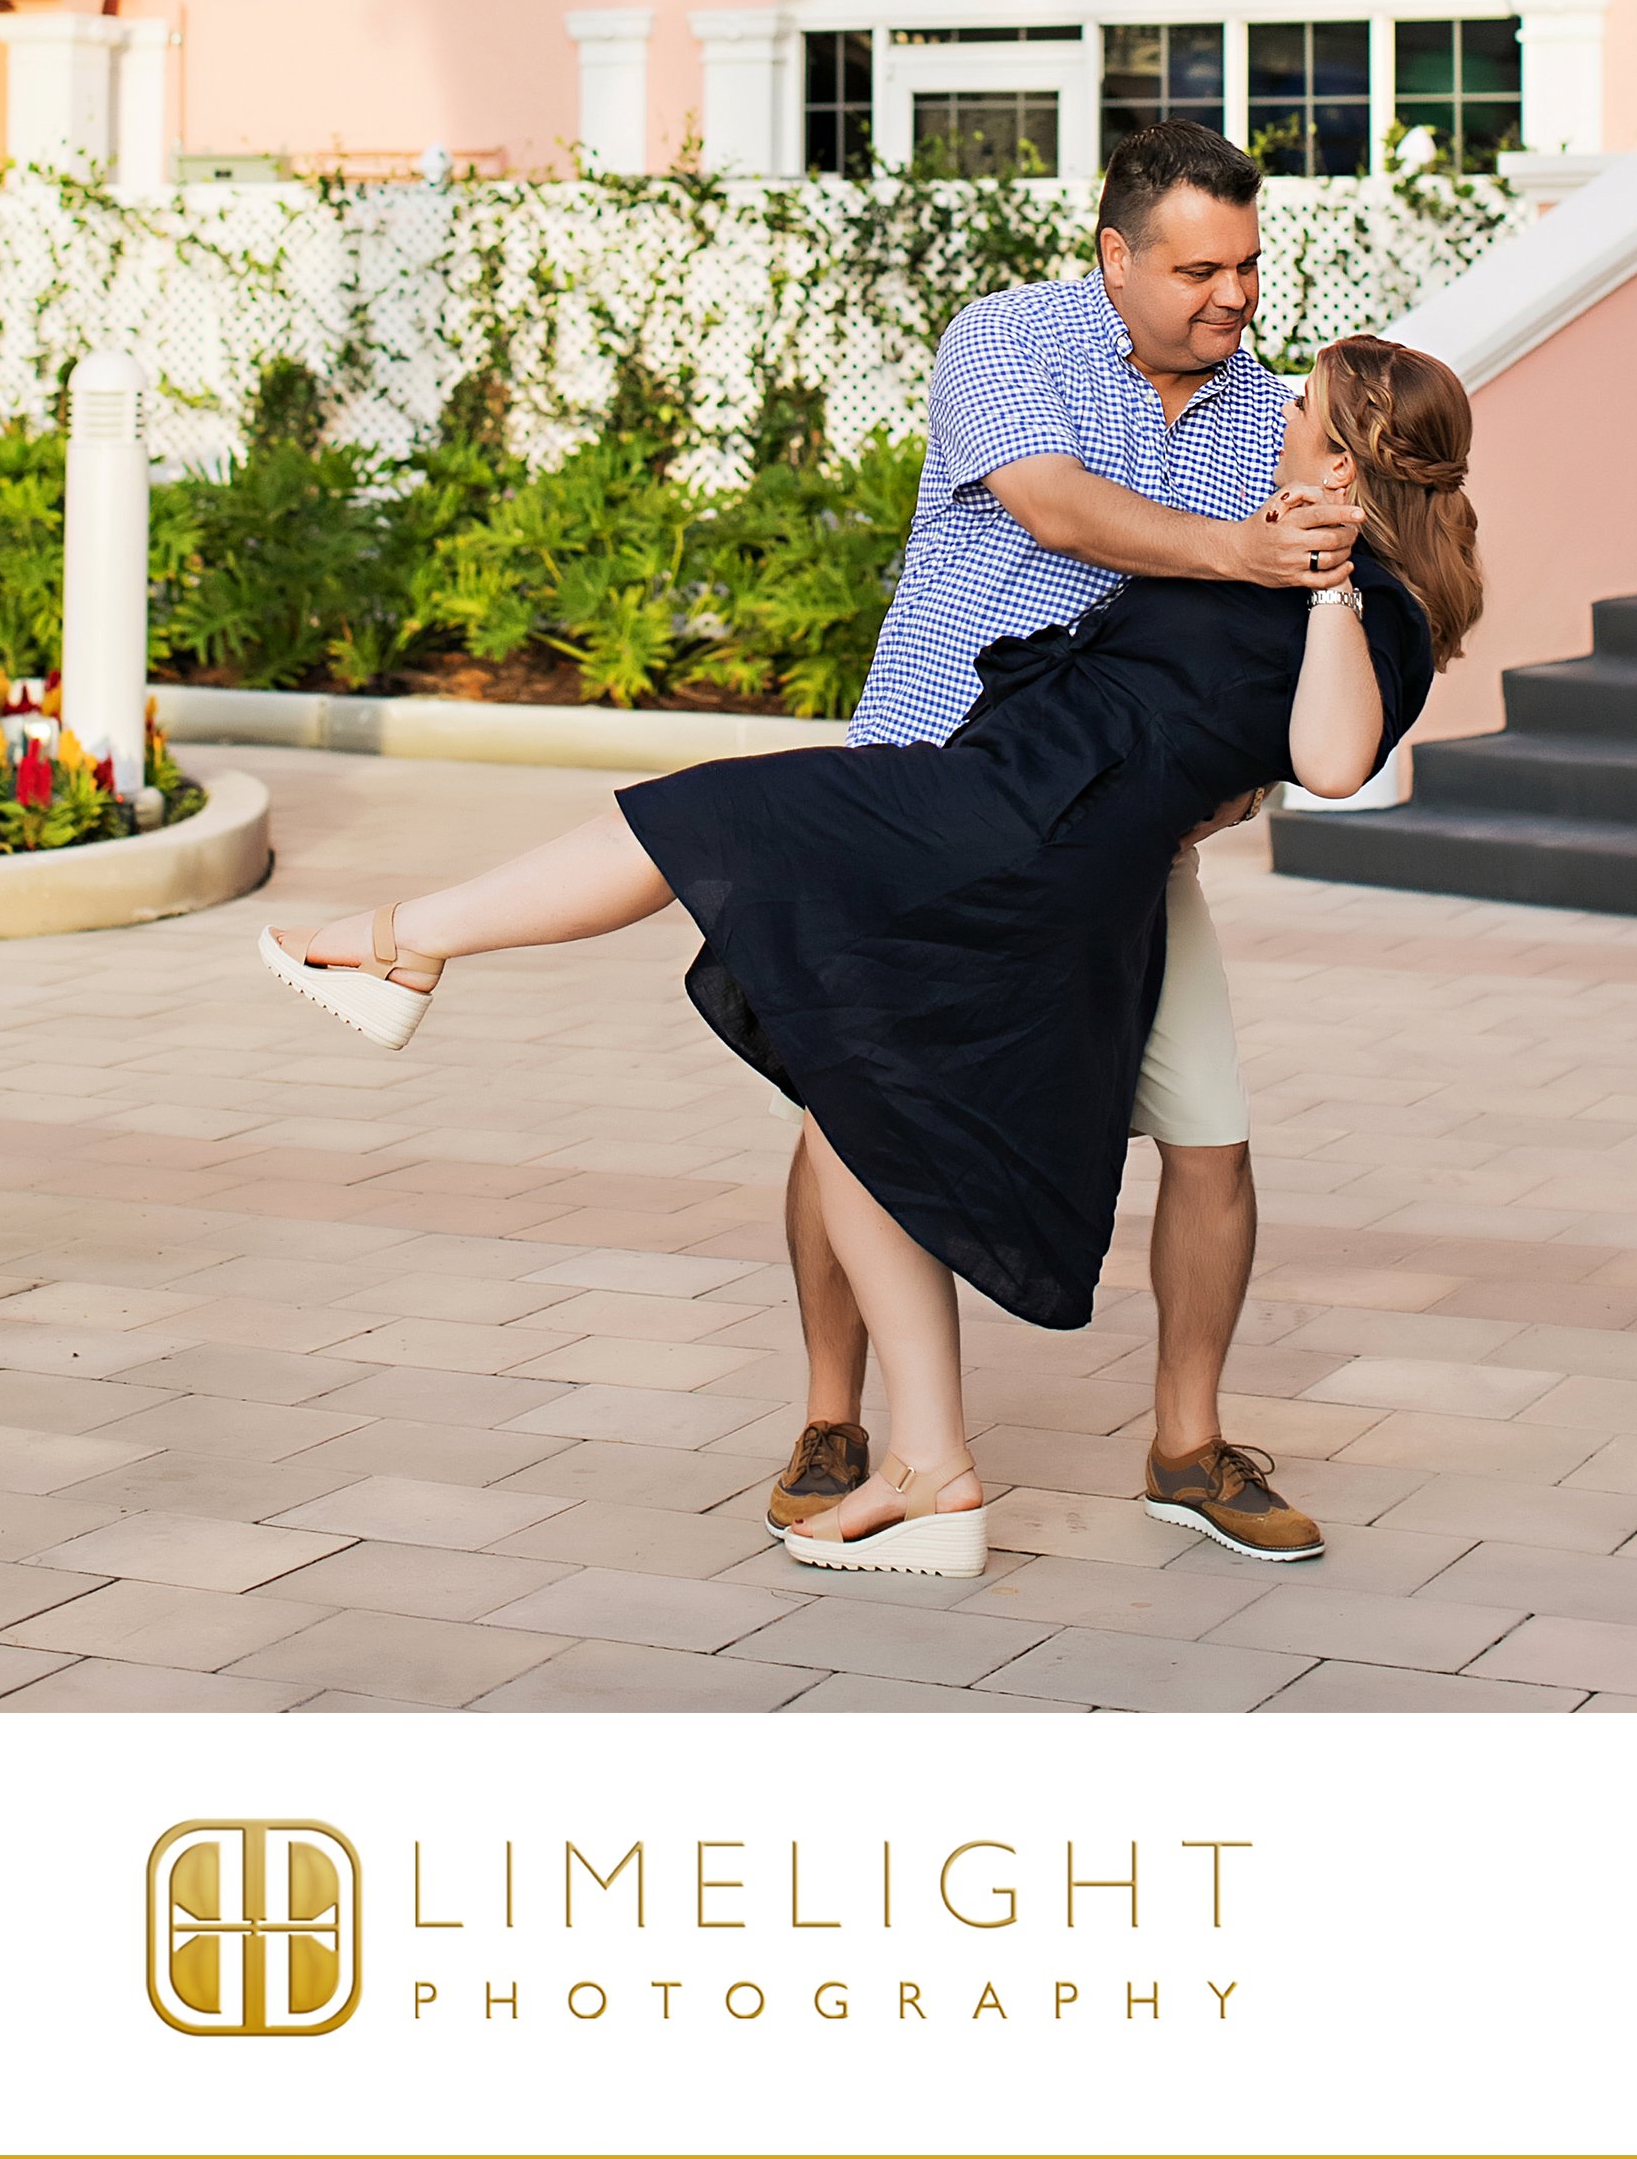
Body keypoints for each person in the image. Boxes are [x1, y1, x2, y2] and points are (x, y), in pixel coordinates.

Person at [258, 336, 1481, 1582]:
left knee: (707, 818)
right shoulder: (1249, 537)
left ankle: (400, 944)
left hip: (1024, 836)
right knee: (850, 1095)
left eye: (1302, 408)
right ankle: (931, 1469)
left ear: (1342, 461)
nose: (1276, 414)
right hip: (995, 801)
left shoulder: (1372, 611)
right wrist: (1266, 557)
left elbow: (1331, 761)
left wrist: (1329, 584)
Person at [778, 117, 1361, 1568]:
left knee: (1209, 1132)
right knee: (852, 1105)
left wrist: (1240, 782)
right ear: (1115, 256)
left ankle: (1188, 1448)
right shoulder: (1009, 339)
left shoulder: (1268, 416)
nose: (1232, 296)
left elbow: (1262, 651)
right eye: (1197, 271)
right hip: (925, 788)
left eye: (1246, 266)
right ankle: (835, 1417)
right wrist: (1237, 549)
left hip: (1119, 835)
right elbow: (1052, 508)